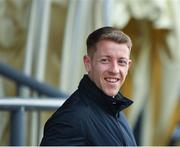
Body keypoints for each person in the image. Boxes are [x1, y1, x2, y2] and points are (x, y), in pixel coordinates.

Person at [40, 26, 136, 146]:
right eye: (105, 60)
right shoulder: (71, 119)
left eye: (121, 62)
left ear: (128, 66)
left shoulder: (116, 111)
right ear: (88, 63)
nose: (115, 70)